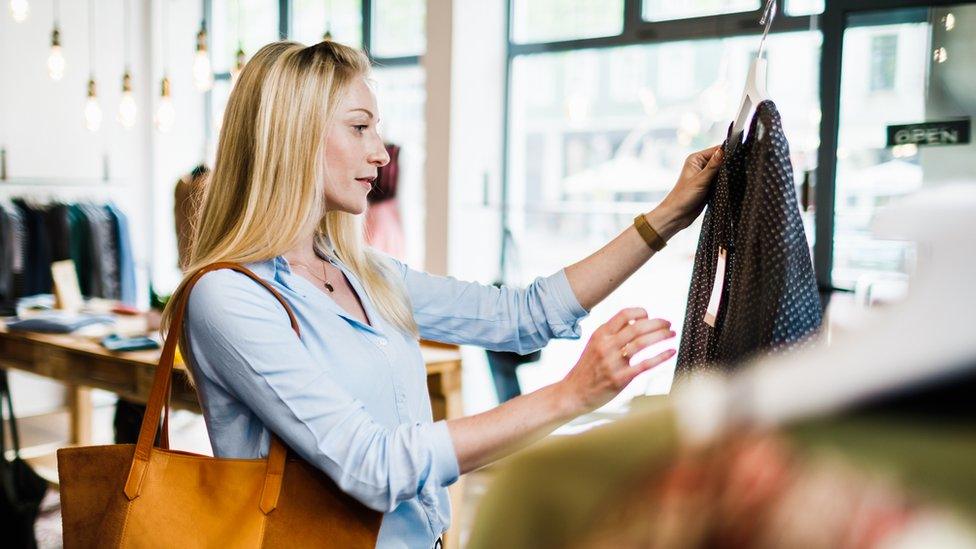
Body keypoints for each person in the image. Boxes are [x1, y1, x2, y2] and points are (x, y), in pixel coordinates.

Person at [162, 40, 723, 549]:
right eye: (360, 128)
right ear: (293, 136)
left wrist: (669, 216)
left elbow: (521, 316)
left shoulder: (365, 274)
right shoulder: (228, 298)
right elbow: (373, 465)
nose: (381, 154)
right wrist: (569, 395)